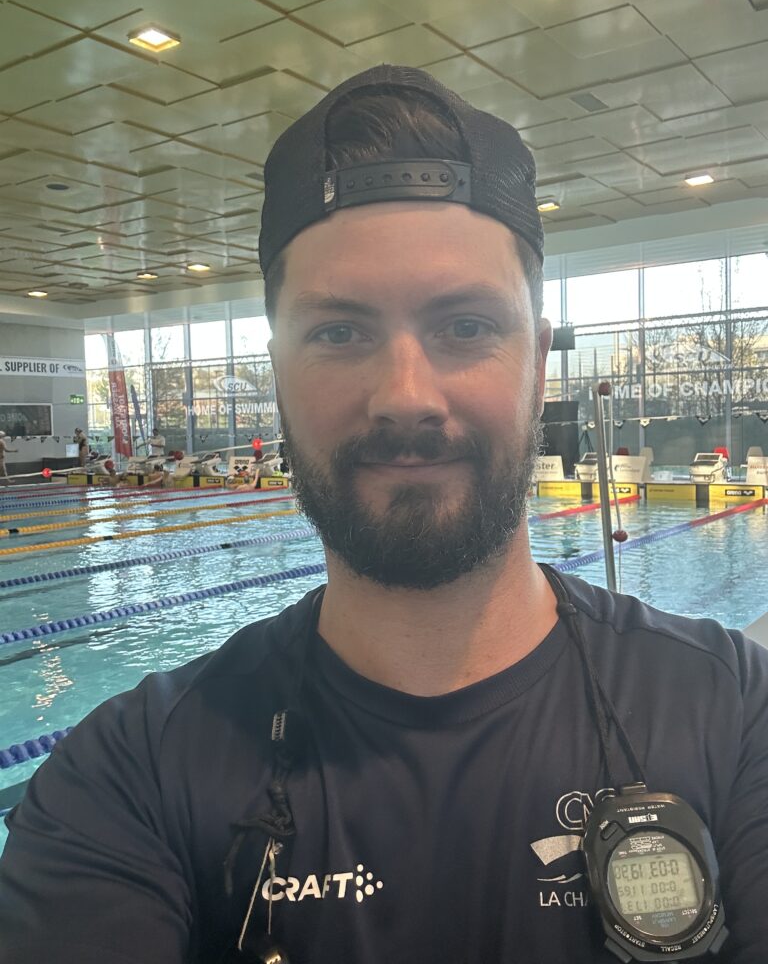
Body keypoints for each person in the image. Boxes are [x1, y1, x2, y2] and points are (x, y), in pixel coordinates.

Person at [1, 66, 767, 964]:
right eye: (339, 332)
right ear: (279, 374)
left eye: (466, 326)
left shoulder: (734, 714)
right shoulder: (130, 776)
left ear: (537, 365)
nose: (406, 395)